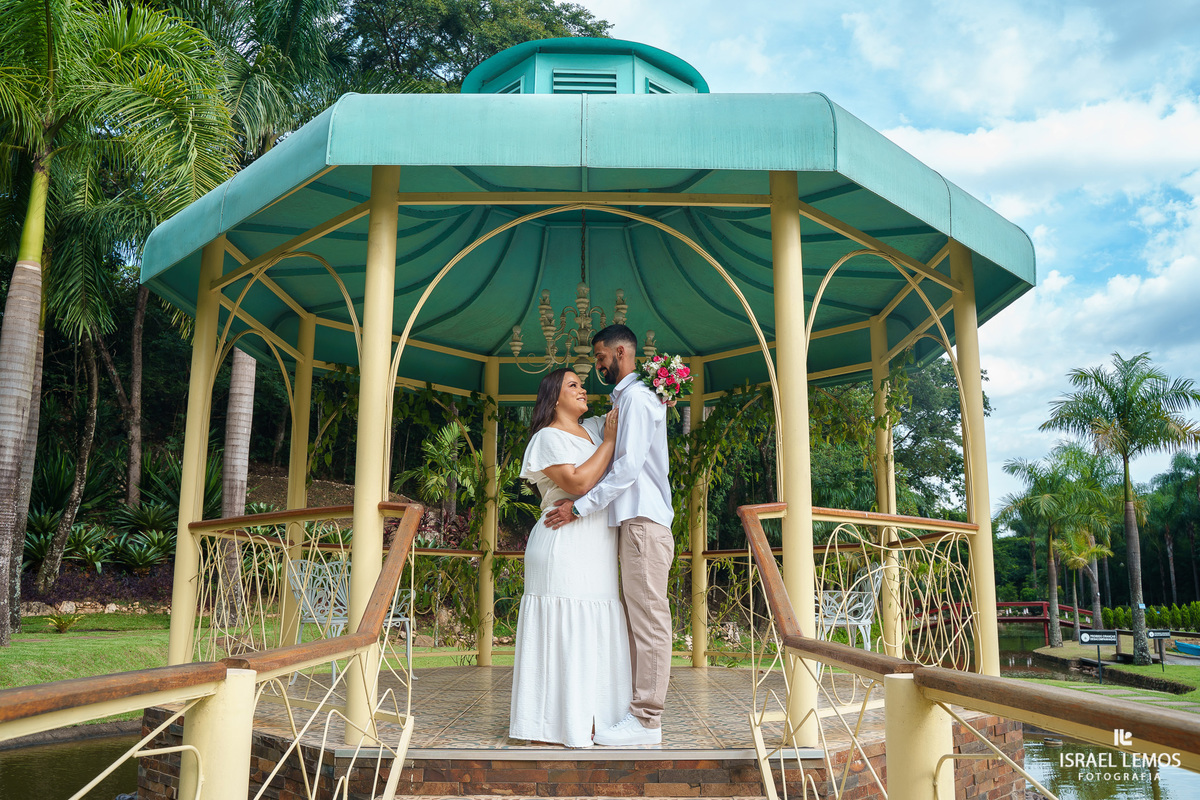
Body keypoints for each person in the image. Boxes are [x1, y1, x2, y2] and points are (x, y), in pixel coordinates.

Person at [544, 324, 674, 747]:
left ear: (620, 352)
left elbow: (628, 469)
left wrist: (580, 507)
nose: (597, 366)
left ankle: (647, 722)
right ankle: (639, 715)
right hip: (634, 524)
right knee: (640, 621)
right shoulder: (626, 401)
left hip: (643, 522)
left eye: (600, 358)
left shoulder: (636, 399)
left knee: (650, 622)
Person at [509, 368, 630, 748]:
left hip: (596, 546)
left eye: (581, 383)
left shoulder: (593, 429)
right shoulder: (547, 438)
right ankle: (552, 724)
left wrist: (664, 390)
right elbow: (577, 483)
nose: (582, 389)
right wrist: (608, 444)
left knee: (597, 626)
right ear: (553, 397)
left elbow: (626, 408)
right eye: (572, 385)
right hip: (562, 545)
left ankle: (597, 718)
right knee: (564, 628)